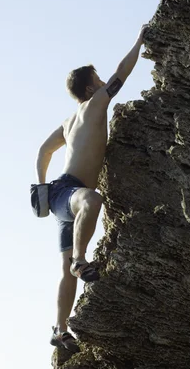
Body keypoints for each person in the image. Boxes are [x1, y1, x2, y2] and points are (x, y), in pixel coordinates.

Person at [35, 24, 149, 352]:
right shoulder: (97, 103)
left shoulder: (69, 122)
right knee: (93, 200)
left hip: (59, 196)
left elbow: (43, 151)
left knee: (64, 272)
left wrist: (42, 190)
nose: (103, 84)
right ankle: (81, 259)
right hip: (71, 192)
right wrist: (139, 40)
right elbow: (122, 72)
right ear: (89, 89)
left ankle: (59, 331)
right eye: (97, 81)